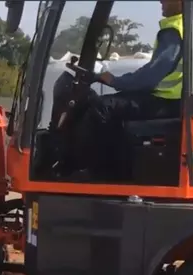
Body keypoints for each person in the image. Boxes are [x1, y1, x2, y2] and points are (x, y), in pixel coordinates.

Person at [74, 0, 184, 179]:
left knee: (102, 107)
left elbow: (151, 75)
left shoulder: (174, 31)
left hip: (167, 101)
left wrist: (115, 81)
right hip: (175, 100)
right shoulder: (188, 27)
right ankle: (119, 167)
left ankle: (102, 173)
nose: (161, 1)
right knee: (117, 104)